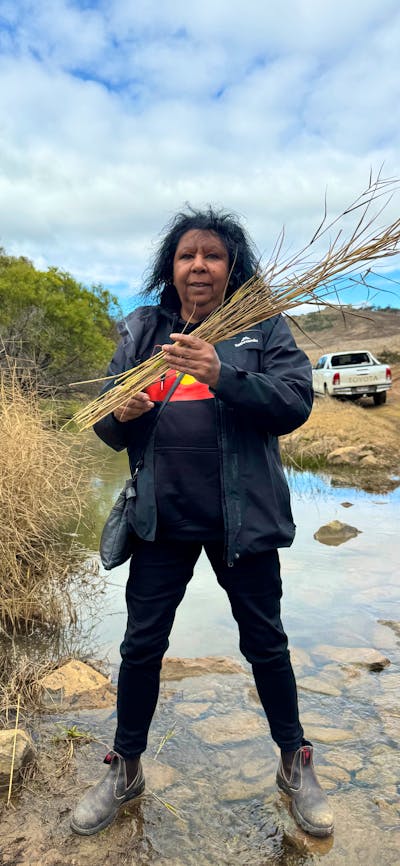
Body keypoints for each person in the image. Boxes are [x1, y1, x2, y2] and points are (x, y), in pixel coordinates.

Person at [71, 207, 334, 839]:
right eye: (187, 255)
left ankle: (293, 762)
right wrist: (126, 412)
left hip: (242, 524)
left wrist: (225, 375)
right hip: (161, 520)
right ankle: (126, 765)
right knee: (141, 647)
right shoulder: (144, 329)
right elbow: (106, 431)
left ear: (231, 267)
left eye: (212, 255)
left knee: (265, 643)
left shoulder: (260, 328)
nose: (198, 265)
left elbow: (295, 404)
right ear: (170, 267)